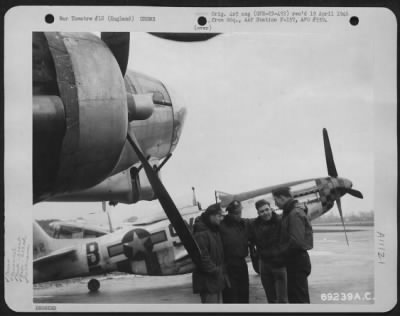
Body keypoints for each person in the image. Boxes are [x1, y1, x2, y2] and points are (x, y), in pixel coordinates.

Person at [272, 187, 313, 303]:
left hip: (297, 261)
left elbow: (296, 242)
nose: (275, 203)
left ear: (282, 198)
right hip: (294, 260)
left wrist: (279, 254)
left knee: (299, 299)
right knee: (295, 298)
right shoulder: (290, 211)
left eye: (275, 200)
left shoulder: (294, 213)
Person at [249, 199, 288, 303]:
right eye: (262, 211)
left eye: (267, 209)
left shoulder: (281, 221)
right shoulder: (254, 225)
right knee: (271, 299)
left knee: (282, 299)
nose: (265, 213)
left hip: (279, 264)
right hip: (264, 264)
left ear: (271, 208)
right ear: (258, 213)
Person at [192, 203, 228, 303]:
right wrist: (216, 271)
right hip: (208, 282)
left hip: (215, 280)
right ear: (211, 216)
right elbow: (203, 258)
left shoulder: (213, 230)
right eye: (219, 216)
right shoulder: (201, 233)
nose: (221, 219)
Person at [219, 200, 250, 303]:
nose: (239, 215)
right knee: (230, 297)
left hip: (241, 263)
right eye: (236, 213)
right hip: (228, 265)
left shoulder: (243, 223)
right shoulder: (221, 226)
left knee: (244, 294)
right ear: (230, 213)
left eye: (240, 212)